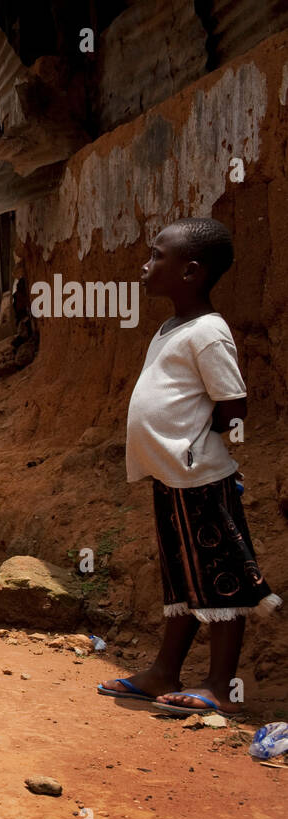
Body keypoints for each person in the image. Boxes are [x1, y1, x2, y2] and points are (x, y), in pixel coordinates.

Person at [97, 217, 280, 716]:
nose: (146, 264)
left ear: (191, 272)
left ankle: (220, 685)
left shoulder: (209, 333)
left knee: (222, 580)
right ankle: (164, 672)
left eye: (157, 256)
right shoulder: (171, 326)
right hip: (173, 479)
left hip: (202, 479)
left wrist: (200, 443)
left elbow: (233, 405)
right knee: (184, 581)